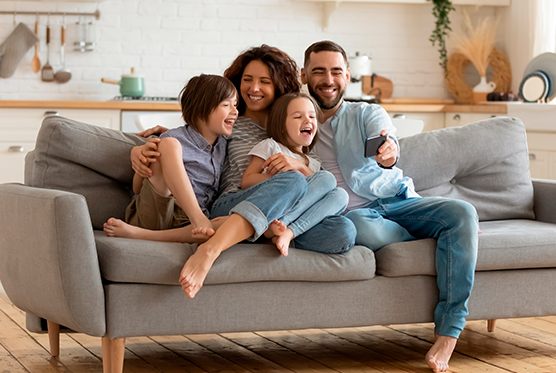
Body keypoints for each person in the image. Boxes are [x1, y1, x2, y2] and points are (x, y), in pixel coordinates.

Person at [301, 40, 479, 373]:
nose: (329, 80)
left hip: (397, 202)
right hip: (353, 216)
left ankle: (449, 331)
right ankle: (451, 237)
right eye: (319, 71)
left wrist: (388, 152)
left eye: (336, 71)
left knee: (463, 212)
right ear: (304, 74)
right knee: (359, 225)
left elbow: (387, 141)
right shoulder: (296, 119)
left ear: (348, 75)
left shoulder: (365, 112)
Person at [131, 45, 356, 299]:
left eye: (264, 82)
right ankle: (212, 249)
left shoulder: (290, 126)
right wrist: (142, 149)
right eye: (247, 80)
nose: (254, 88)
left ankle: (268, 230)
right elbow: (195, 133)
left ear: (279, 86)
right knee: (291, 181)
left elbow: (315, 176)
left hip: (281, 215)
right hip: (233, 204)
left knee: (343, 232)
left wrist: (300, 165)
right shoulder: (232, 123)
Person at [104, 74, 238, 242]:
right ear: (200, 109)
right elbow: (137, 188)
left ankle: (141, 235)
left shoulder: (224, 146)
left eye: (235, 105)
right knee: (169, 144)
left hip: (189, 225)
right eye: (226, 105)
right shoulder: (171, 139)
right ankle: (197, 217)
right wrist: (143, 162)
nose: (235, 111)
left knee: (237, 221)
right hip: (157, 212)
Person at [242, 92, 349, 256]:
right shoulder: (271, 146)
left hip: (299, 218)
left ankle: (288, 232)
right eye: (298, 116)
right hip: (275, 208)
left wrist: (301, 167)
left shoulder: (314, 162)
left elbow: (323, 192)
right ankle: (276, 227)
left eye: (312, 117)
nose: (308, 121)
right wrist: (280, 178)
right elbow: (247, 181)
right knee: (326, 179)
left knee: (341, 194)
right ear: (282, 125)